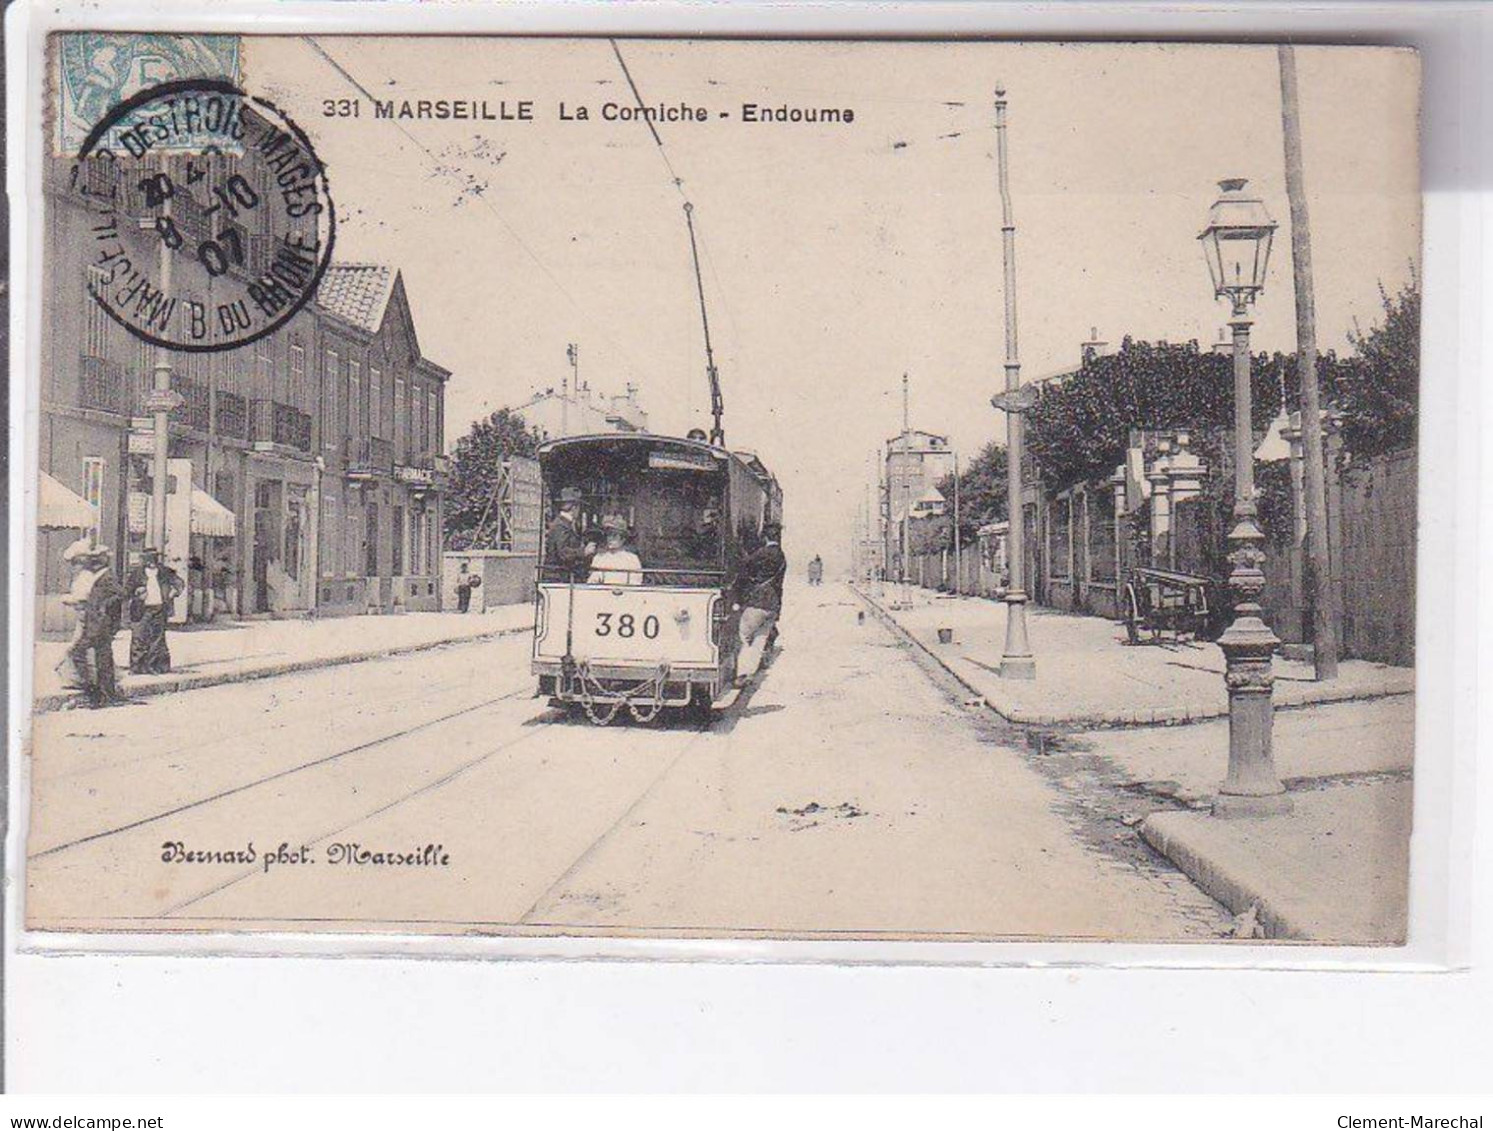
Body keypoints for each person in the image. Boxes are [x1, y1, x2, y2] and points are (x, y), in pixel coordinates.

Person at [736, 520, 787, 681]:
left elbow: (745, 565)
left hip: (757, 602)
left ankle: (740, 674)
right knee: (759, 642)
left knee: (742, 638)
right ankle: (750, 673)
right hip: (772, 604)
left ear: (764, 537)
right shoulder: (781, 556)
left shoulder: (763, 553)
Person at [76, 547, 127, 706]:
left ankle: (96, 692)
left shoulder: (107, 577)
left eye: (96, 559)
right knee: (102, 658)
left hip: (101, 625)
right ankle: (104, 693)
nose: (93, 562)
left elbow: (121, 594)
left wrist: (104, 607)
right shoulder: (97, 576)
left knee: (82, 654)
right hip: (94, 623)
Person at [125, 548, 183, 674]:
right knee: (139, 637)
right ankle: (137, 667)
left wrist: (174, 592)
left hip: (160, 608)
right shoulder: (137, 573)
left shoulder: (164, 571)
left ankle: (154, 666)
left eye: (154, 558)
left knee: (157, 639)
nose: (152, 562)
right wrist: (136, 593)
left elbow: (179, 583)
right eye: (149, 559)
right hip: (142, 610)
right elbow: (127, 591)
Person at [545, 487, 596, 581]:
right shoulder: (561, 525)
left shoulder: (566, 524)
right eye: (580, 507)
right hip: (557, 577)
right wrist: (583, 552)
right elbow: (563, 552)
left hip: (562, 576)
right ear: (574, 507)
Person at [588, 515, 644, 585]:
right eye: (608, 535)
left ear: (622, 539)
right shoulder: (599, 558)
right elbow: (593, 581)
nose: (610, 539)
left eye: (614, 536)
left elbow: (636, 581)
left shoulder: (632, 559)